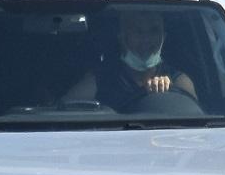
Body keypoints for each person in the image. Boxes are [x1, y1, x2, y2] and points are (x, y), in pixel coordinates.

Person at [66, 7, 196, 113]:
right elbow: (63, 111)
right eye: (138, 31)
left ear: (164, 37)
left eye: (154, 31)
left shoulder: (178, 81)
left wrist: (170, 94)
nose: (146, 39)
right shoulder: (101, 80)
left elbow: (197, 123)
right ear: (122, 37)